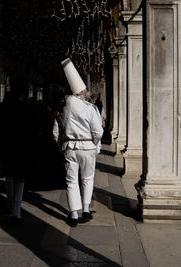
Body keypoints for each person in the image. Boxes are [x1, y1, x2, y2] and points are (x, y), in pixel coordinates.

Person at [53, 58, 104, 227]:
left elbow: (55, 131)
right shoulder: (90, 109)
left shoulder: (63, 109)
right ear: (82, 93)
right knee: (88, 178)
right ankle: (86, 210)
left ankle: (73, 214)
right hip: (87, 146)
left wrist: (61, 145)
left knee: (71, 181)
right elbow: (98, 132)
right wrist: (94, 143)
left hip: (69, 147)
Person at [0, 79, 31, 224]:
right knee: (19, 180)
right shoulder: (24, 108)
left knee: (9, 177)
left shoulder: (3, 107)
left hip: (7, 146)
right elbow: (29, 129)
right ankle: (16, 211)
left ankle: (10, 205)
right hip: (20, 147)